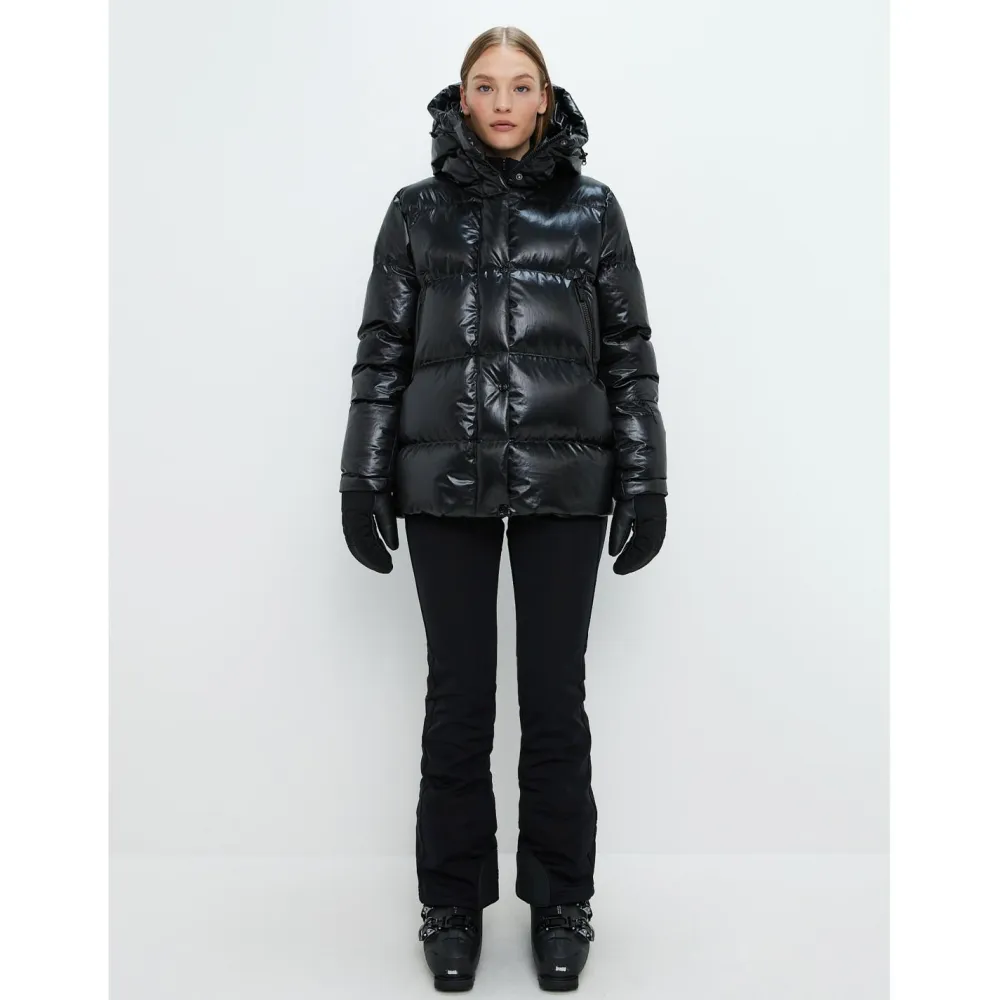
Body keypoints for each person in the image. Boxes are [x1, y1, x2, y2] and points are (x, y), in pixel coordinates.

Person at [339, 25, 667, 993]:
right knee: (458, 699)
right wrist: (361, 476)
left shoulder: (593, 212)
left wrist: (645, 478)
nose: (503, 103)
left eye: (521, 86)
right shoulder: (414, 214)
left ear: (545, 98)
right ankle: (451, 903)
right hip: (445, 481)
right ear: (462, 96)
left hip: (566, 484)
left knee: (554, 700)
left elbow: (628, 354)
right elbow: (382, 353)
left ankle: (561, 901)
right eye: (485, 85)